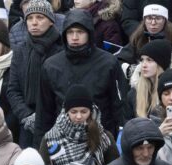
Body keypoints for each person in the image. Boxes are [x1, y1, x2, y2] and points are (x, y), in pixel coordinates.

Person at [34, 10, 128, 141]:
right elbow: (44, 113)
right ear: (64, 34)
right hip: (63, 141)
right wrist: (40, 149)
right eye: (70, 32)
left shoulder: (109, 63)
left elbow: (119, 107)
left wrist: (119, 143)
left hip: (102, 139)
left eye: (80, 32)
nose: (75, 37)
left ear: (89, 34)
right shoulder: (51, 66)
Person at [7, 0, 62, 147]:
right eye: (30, 18)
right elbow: (13, 89)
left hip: (57, 123)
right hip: (28, 124)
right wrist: (27, 116)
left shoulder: (62, 50)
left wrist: (48, 118)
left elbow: (64, 89)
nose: (34, 22)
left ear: (51, 21)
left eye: (40, 17)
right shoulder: (20, 51)